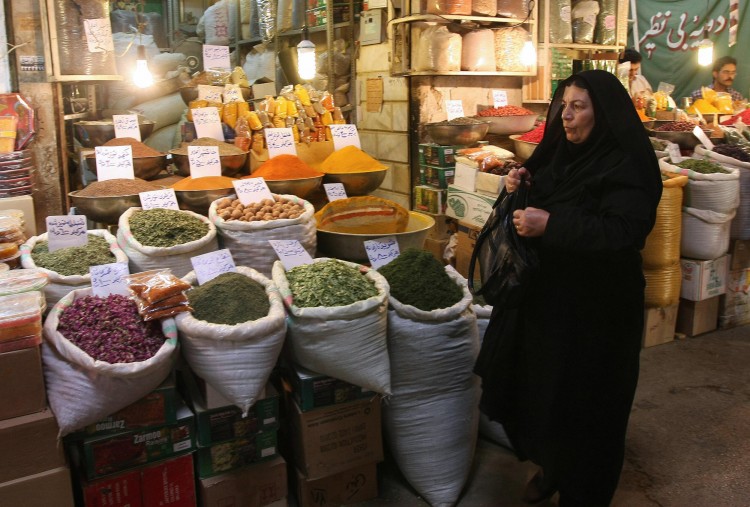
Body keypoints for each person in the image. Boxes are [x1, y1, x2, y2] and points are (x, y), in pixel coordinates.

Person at [474, 69, 662, 506]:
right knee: (545, 395)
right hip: (551, 303)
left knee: (590, 407)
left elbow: (624, 232)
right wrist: (521, 185)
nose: (567, 117)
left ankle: (584, 493)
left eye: (579, 108)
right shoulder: (564, 151)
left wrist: (551, 225)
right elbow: (549, 185)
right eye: (564, 106)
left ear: (604, 113)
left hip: (600, 312)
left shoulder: (628, 162)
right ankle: (553, 467)